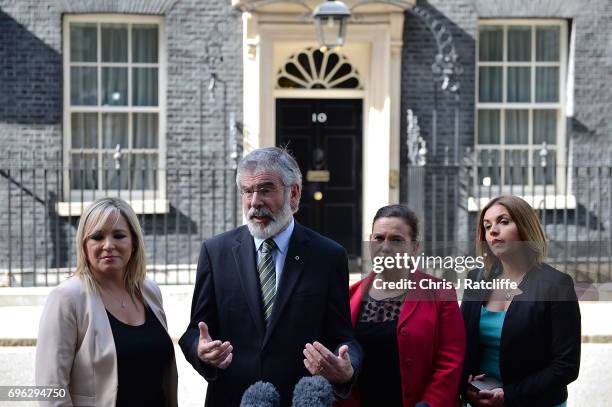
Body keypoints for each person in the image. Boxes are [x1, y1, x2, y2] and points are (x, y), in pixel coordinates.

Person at [179, 147, 362, 407]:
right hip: (233, 399)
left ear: (294, 194)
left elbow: (344, 338)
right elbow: (193, 333)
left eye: (265, 190)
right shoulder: (215, 252)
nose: (255, 202)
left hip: (299, 400)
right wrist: (200, 350)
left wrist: (347, 368)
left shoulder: (328, 256)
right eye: (247, 191)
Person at [36, 197, 178, 406]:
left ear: (134, 243)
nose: (108, 245)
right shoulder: (67, 298)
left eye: (119, 235)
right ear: (84, 245)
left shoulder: (149, 291)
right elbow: (50, 389)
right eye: (97, 236)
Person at [338, 204, 466, 407]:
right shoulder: (348, 296)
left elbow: (449, 362)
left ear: (415, 248)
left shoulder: (440, 293)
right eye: (378, 238)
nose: (385, 247)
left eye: (396, 240)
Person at [461, 195, 581, 407]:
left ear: (525, 228)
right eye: (487, 226)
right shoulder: (476, 278)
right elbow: (460, 341)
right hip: (480, 400)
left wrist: (509, 395)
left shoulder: (556, 284)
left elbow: (566, 365)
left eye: (503, 222)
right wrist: (465, 385)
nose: (493, 231)